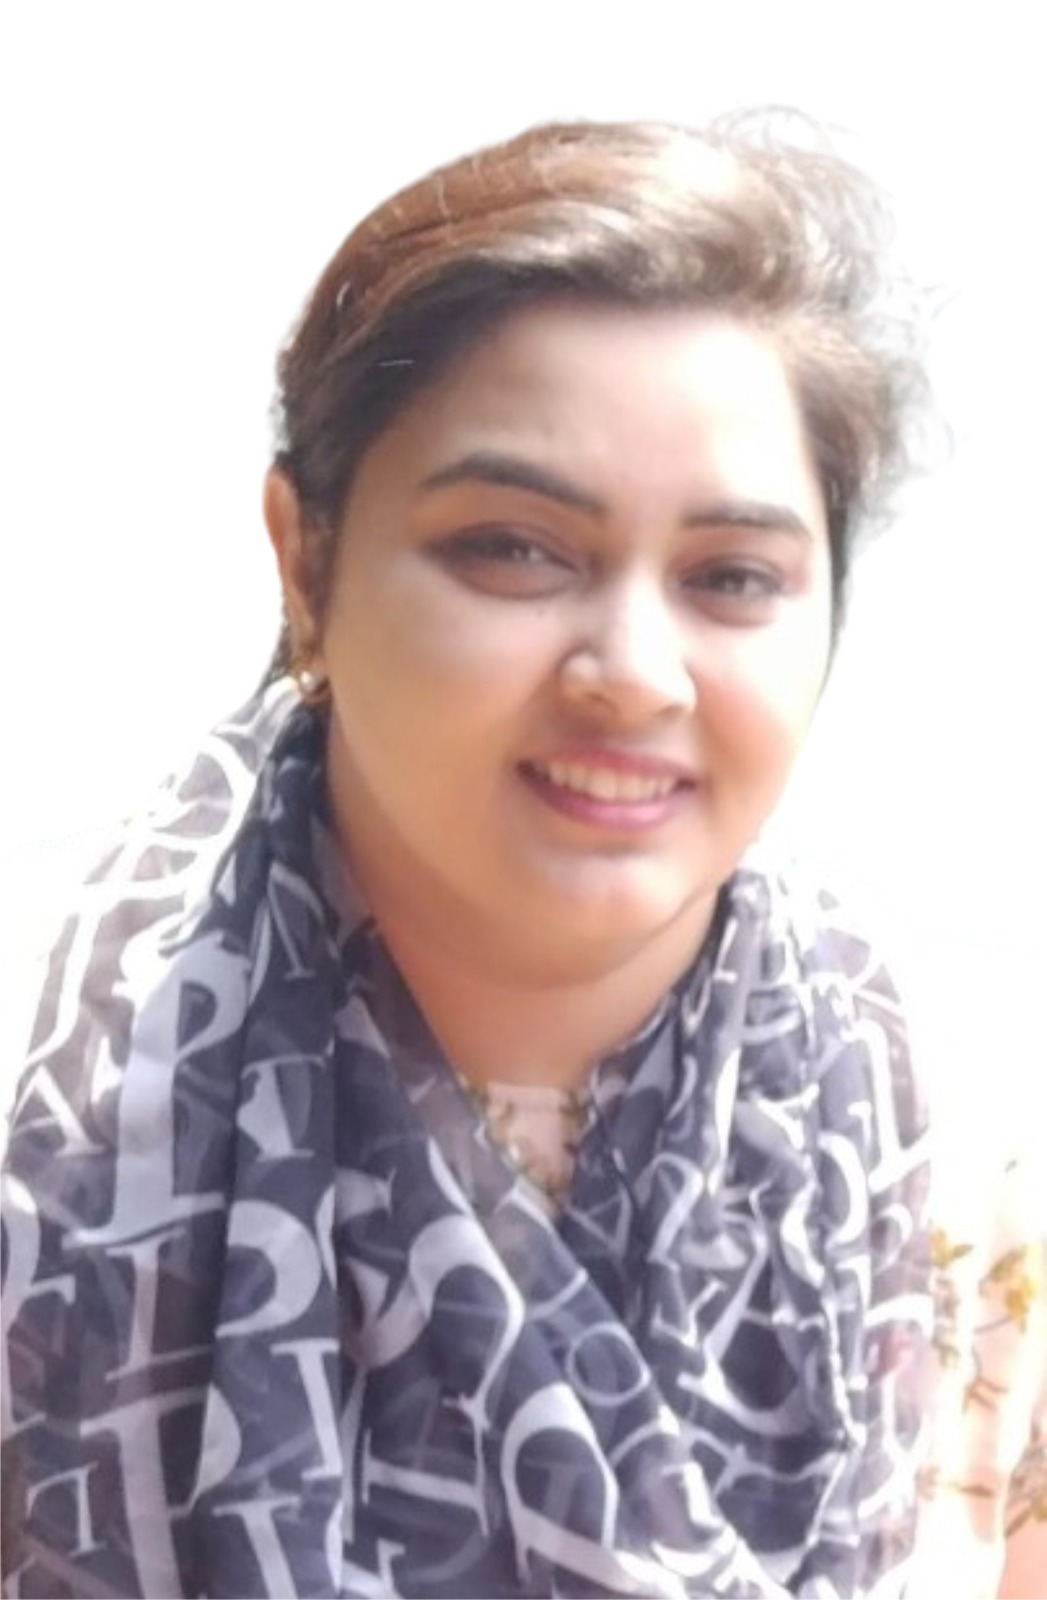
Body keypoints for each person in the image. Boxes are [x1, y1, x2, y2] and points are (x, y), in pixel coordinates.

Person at [1, 115, 934, 1598]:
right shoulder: (43, 1114)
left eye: (732, 577)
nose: (635, 673)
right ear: (305, 562)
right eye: (513, 548)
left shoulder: (942, 1164)